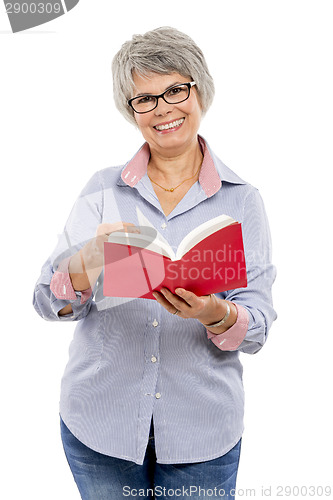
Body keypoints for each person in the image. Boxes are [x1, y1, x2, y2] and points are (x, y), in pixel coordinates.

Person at [33, 26, 277, 500]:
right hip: (98, 426)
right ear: (131, 111)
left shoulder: (244, 201)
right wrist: (85, 263)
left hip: (201, 435)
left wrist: (214, 312)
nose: (163, 108)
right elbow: (45, 301)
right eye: (144, 99)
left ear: (199, 90)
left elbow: (259, 325)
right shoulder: (102, 190)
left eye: (175, 89)